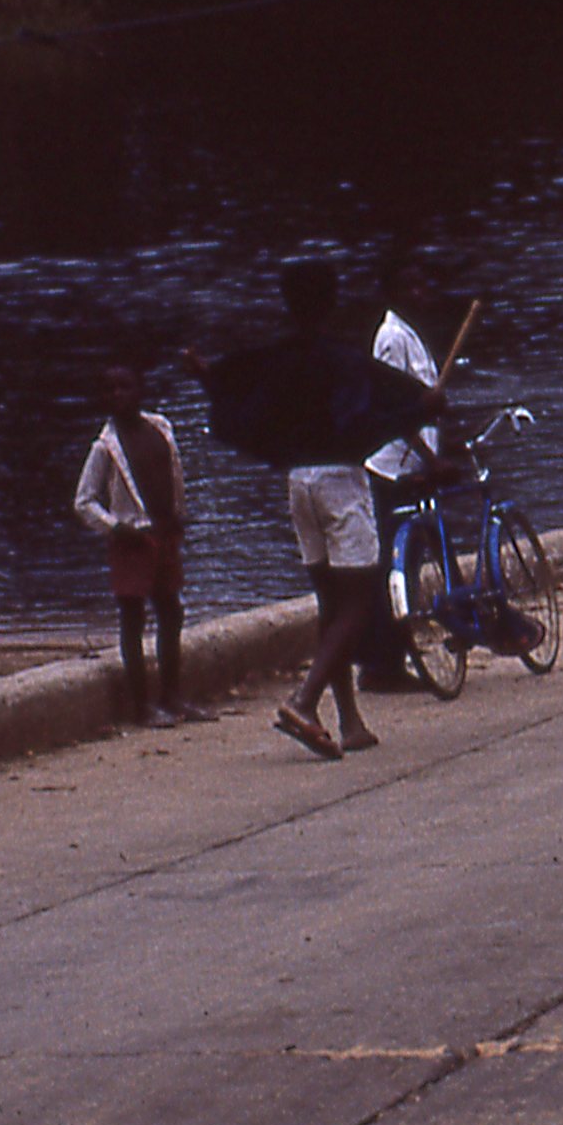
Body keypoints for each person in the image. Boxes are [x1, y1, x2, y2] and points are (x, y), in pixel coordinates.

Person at [193, 260, 443, 762]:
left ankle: (350, 722)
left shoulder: (277, 359)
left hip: (298, 483)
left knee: (331, 601)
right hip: (339, 482)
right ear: (332, 302)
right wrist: (426, 406)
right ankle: (304, 702)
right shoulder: (342, 361)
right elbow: (377, 413)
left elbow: (231, 380)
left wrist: (205, 373)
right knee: (359, 599)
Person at [73, 364, 207, 727]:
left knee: (171, 612)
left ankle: (172, 696)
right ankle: (141, 706)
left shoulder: (160, 429)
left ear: (140, 390)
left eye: (125, 387)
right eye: (110, 390)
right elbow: (84, 501)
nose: (118, 395)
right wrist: (116, 528)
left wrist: (178, 515)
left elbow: (173, 478)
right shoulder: (105, 448)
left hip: (163, 534)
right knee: (133, 619)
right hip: (131, 540)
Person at [360, 255, 452, 695]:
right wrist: (431, 462)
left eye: (422, 286)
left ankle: (393, 657)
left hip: (414, 465)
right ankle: (382, 665)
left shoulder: (413, 337)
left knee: (410, 563)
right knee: (392, 568)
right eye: (410, 287)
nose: (420, 294)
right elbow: (395, 409)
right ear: (393, 294)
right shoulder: (393, 339)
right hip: (394, 470)